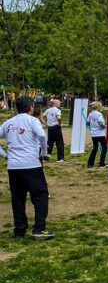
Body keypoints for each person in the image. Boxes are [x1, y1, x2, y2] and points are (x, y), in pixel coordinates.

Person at [0, 96, 53, 239]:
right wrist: (44, 152)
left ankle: (19, 229)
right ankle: (39, 228)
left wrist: (4, 155)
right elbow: (42, 135)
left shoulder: (8, 123)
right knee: (40, 195)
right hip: (31, 165)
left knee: (17, 198)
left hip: (13, 167)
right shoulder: (32, 121)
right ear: (30, 107)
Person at [43, 97, 65, 163]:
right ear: (55, 104)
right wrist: (60, 123)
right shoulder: (57, 110)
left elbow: (41, 116)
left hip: (50, 128)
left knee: (49, 142)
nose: (60, 104)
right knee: (59, 143)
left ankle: (46, 157)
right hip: (56, 127)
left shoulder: (48, 110)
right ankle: (60, 158)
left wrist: (45, 123)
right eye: (59, 103)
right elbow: (59, 117)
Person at [86, 101, 107, 169]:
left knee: (95, 148)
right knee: (104, 148)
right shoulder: (99, 114)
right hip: (100, 133)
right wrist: (104, 126)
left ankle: (90, 163)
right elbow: (101, 122)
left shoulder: (90, 114)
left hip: (94, 134)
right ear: (98, 107)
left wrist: (92, 126)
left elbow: (87, 122)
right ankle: (102, 163)